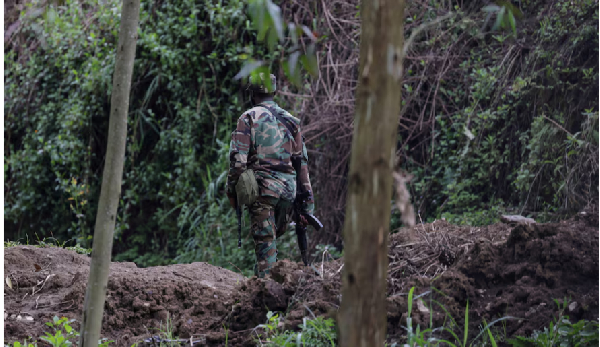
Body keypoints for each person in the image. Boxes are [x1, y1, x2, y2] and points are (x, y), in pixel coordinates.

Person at [226, 73, 314, 278]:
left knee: (266, 248)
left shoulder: (248, 118)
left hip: (264, 192)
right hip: (288, 192)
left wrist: (232, 191)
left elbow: (238, 163)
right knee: (270, 243)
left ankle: (269, 298)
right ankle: (267, 286)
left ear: (252, 93)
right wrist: (308, 205)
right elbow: (302, 166)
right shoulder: (292, 121)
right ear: (274, 92)